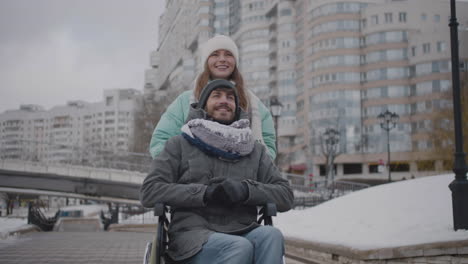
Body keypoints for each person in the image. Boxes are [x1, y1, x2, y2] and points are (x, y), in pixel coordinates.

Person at [140, 79, 294, 264]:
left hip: (242, 227)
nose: (224, 101)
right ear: (204, 104)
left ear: (236, 108)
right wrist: (203, 193)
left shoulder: (254, 151)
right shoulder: (180, 144)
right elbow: (150, 191)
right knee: (238, 246)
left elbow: (285, 195)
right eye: (217, 95)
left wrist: (246, 190)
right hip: (192, 234)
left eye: (230, 98)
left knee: (271, 235)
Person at [149, 35, 277, 160]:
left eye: (228, 54)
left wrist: (245, 170)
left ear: (235, 62)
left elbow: (269, 151)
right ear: (205, 62)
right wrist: (184, 170)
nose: (222, 59)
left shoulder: (255, 106)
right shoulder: (184, 101)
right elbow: (160, 142)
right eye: (215, 54)